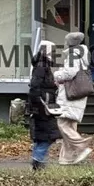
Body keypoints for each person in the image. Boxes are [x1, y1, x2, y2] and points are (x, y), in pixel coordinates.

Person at [52, 31, 93, 165]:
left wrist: (57, 75)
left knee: (62, 123)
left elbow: (69, 73)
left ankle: (82, 146)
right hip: (78, 93)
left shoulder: (73, 55)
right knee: (70, 125)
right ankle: (67, 158)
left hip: (70, 94)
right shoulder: (82, 54)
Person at [27, 40, 62, 171]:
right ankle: (37, 161)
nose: (54, 53)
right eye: (52, 50)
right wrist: (39, 102)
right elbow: (35, 86)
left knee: (43, 136)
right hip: (43, 106)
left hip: (43, 105)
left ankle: (38, 160)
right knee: (47, 136)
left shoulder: (42, 65)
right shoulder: (42, 65)